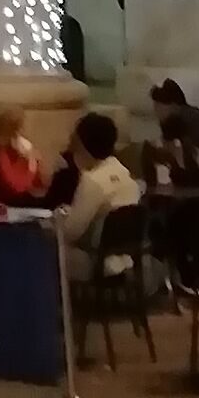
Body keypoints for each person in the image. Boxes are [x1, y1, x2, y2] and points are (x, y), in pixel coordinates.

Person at [54, 113, 141, 284]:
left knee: (43, 250)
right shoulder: (123, 173)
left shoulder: (94, 180)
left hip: (98, 261)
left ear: (83, 145)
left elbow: (70, 232)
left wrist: (55, 220)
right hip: (125, 259)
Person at [0, 108, 44, 207]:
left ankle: (6, 122)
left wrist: (31, 154)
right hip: (4, 159)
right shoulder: (22, 183)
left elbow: (31, 165)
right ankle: (6, 122)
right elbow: (30, 165)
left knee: (1, 140)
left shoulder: (24, 181)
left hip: (5, 157)